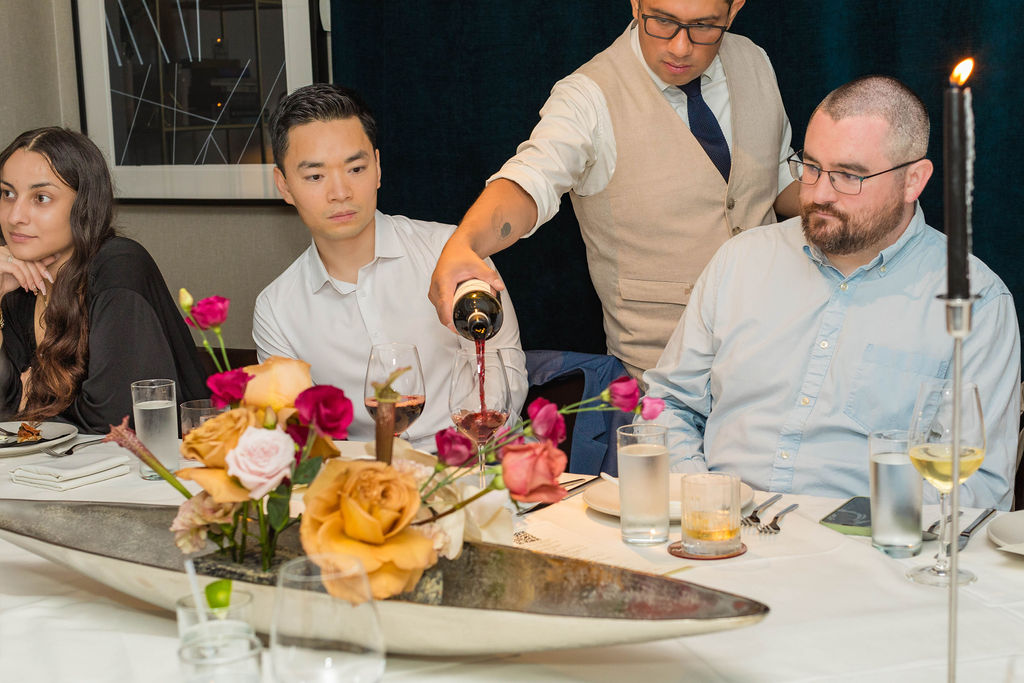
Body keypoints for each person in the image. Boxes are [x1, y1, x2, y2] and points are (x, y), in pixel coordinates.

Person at [643, 75, 1020, 510]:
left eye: (849, 176)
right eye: (812, 167)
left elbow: (981, 487)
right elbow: (665, 405)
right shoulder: (740, 261)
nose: (819, 194)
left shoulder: (977, 302)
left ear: (913, 180)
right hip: (720, 535)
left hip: (868, 553)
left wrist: (857, 536)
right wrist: (704, 498)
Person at [429, 0, 799, 378]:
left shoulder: (754, 59)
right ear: (636, 4)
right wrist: (466, 242)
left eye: (703, 26)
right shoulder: (587, 96)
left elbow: (777, 178)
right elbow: (532, 178)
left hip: (778, 354)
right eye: (663, 21)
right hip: (661, 386)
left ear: (734, 10)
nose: (680, 47)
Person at [253, 84, 528, 451]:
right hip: (365, 485)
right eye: (315, 176)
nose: (340, 192)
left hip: (476, 466)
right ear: (284, 186)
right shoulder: (277, 308)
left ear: (378, 169)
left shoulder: (451, 253)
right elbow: (296, 437)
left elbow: (502, 380)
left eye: (355, 168)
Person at [0, 127, 208, 434]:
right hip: (55, 474)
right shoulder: (16, 279)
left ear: (84, 205)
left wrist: (30, 402)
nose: (16, 215)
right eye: (7, 194)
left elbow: (115, 418)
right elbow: (5, 407)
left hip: (162, 471)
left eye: (41, 198)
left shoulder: (119, 265)